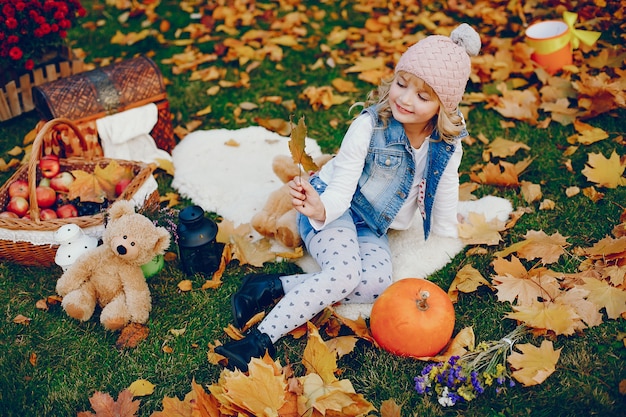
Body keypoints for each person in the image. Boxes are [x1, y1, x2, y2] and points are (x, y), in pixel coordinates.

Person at [215, 23, 481, 371]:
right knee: (343, 274)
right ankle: (259, 340)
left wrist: (446, 230)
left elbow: (445, 185)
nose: (404, 99)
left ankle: (271, 285)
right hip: (334, 206)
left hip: (372, 223)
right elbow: (342, 185)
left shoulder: (446, 145)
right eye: (402, 84)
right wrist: (320, 208)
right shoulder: (370, 127)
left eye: (422, 96)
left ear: (443, 106)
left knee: (375, 283)